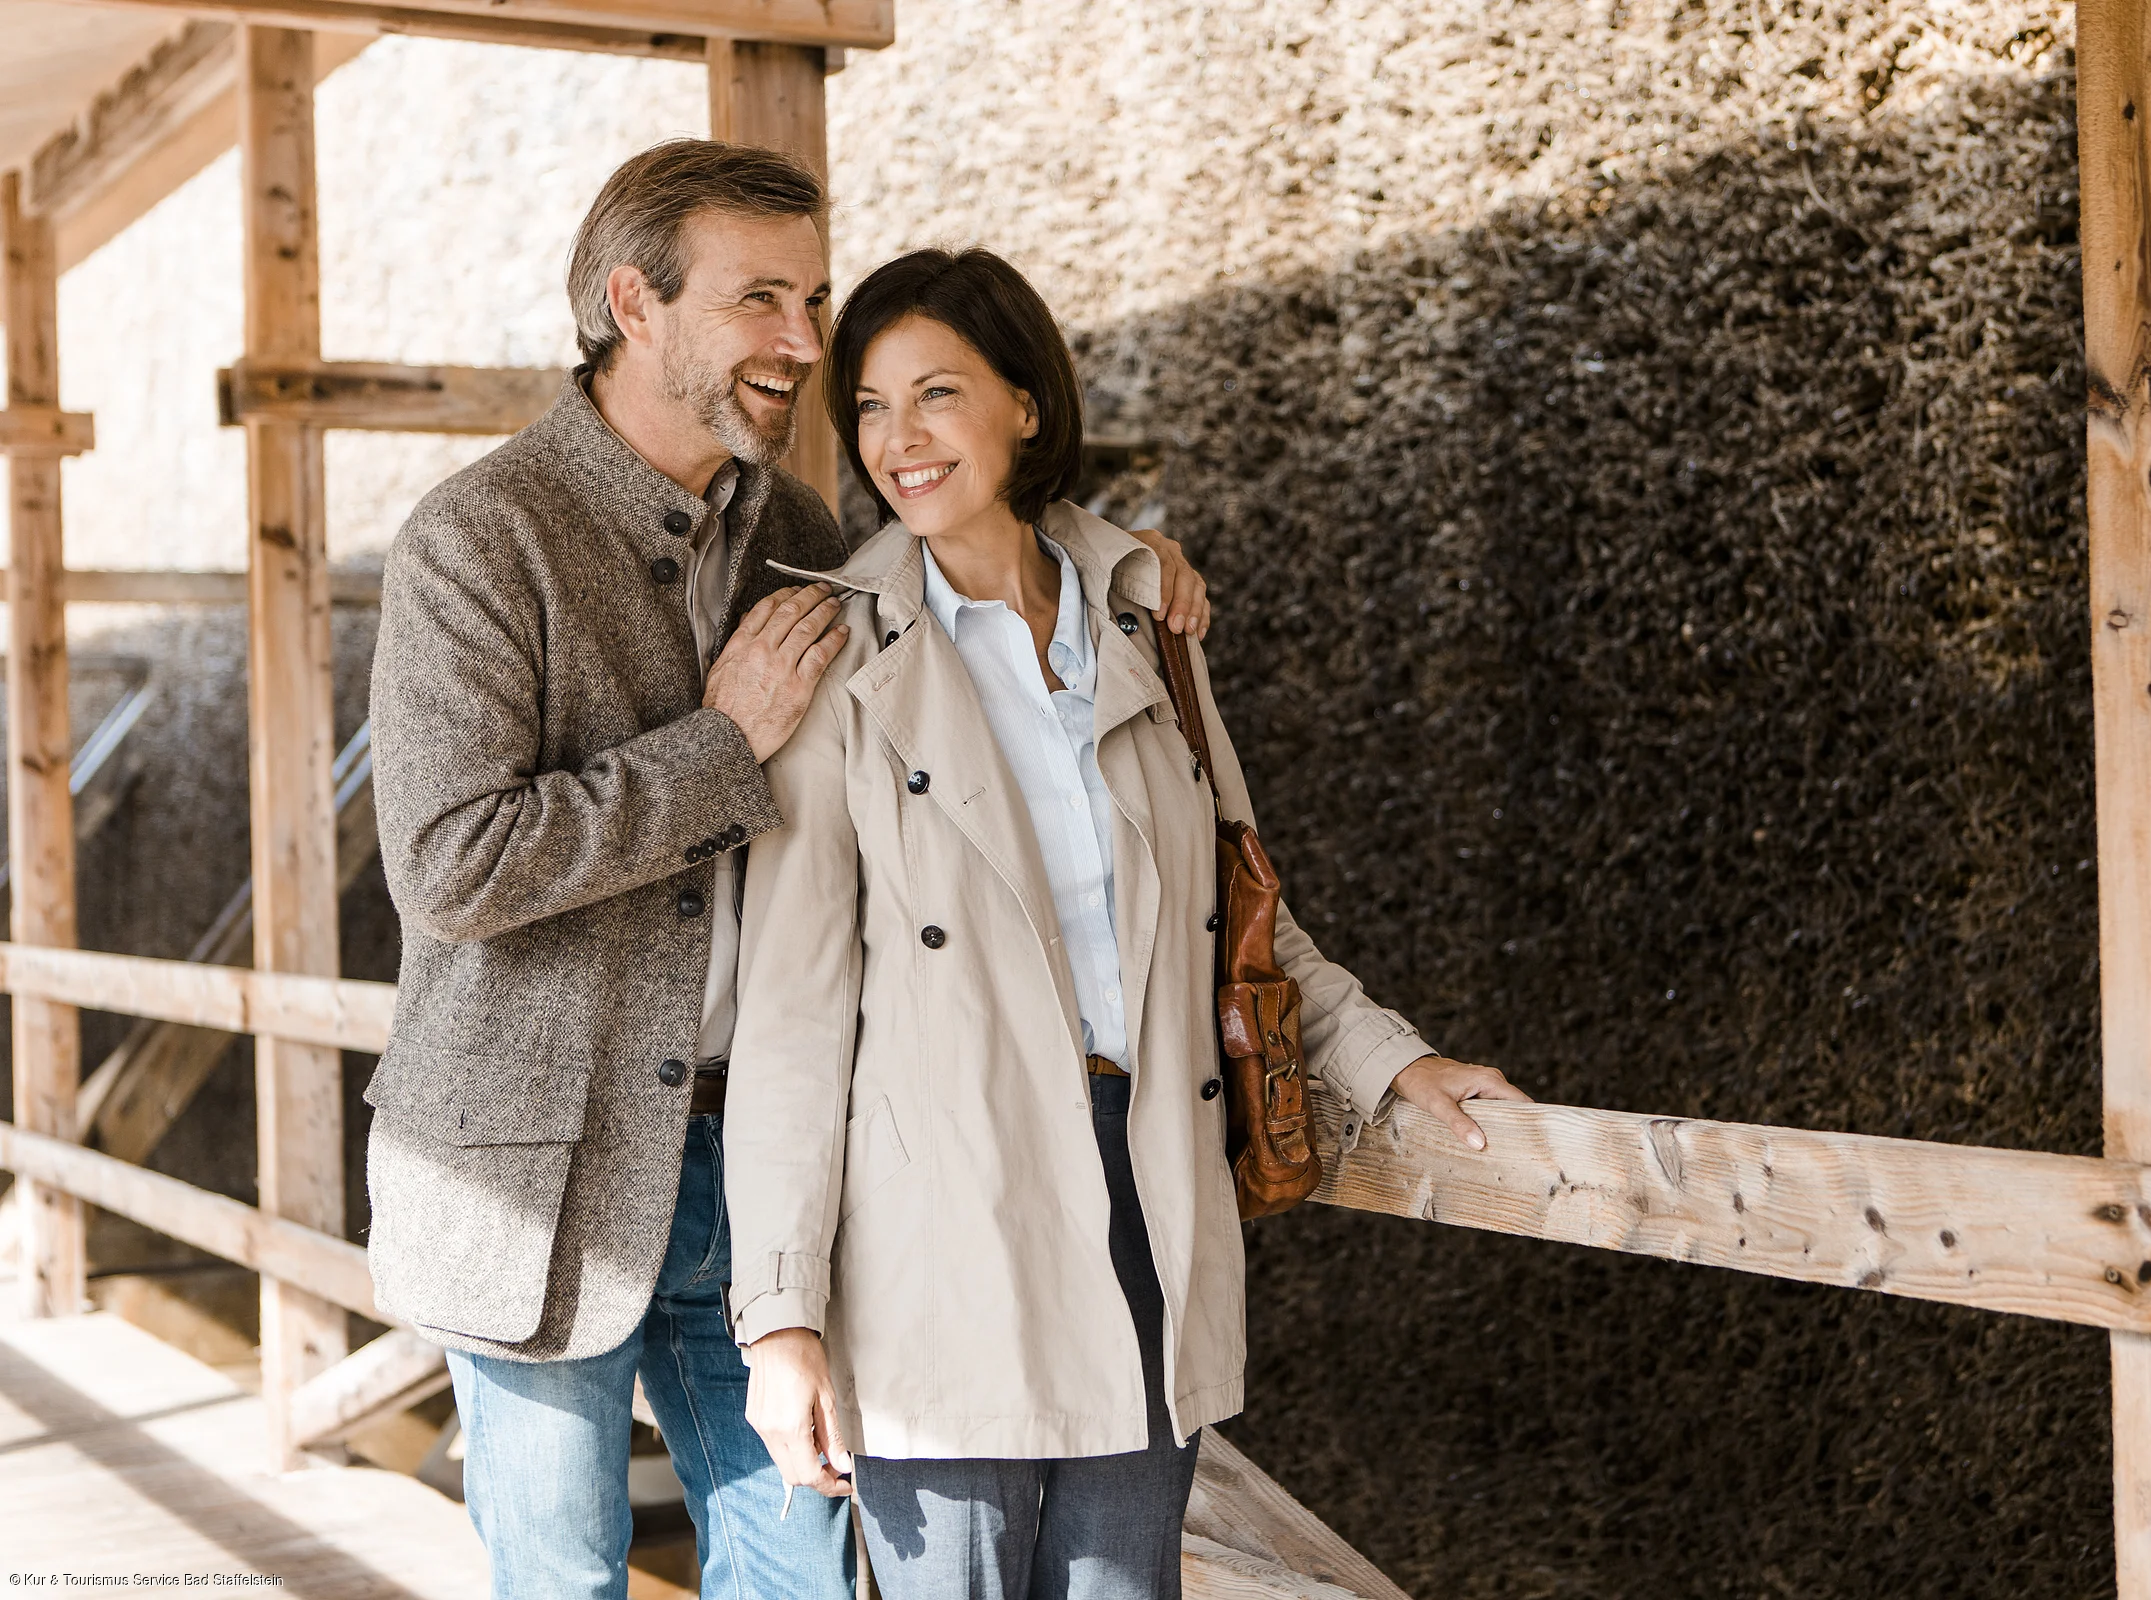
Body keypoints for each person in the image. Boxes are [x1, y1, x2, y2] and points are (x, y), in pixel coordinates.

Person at [365, 147, 1210, 1600]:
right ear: (637, 302)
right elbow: (450, 867)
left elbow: (978, 543)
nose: (807, 346)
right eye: (763, 298)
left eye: (813, 297)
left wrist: (1120, 558)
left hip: (771, 1180)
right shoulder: (479, 536)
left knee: (806, 1581)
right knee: (563, 1580)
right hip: (534, 1173)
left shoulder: (806, 541)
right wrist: (719, 746)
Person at [722, 247, 1527, 1600]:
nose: (899, 440)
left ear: (1026, 404)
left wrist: (1395, 1060)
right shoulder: (840, 660)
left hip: (1148, 1183)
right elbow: (794, 1018)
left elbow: (1245, 918)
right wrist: (782, 1320)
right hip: (942, 1224)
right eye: (869, 406)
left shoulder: (1152, 626)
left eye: (937, 394)